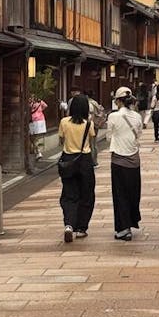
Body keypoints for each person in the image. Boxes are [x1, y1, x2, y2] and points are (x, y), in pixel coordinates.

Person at [57, 94, 96, 242]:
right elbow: (91, 139)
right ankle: (81, 228)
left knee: (69, 194)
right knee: (86, 194)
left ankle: (69, 224)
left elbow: (61, 140)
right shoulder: (88, 124)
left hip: (68, 159)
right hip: (84, 160)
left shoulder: (64, 122)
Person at [106, 86, 144, 240]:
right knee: (133, 193)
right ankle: (131, 221)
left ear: (118, 101)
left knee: (120, 194)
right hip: (134, 159)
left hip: (119, 159)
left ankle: (123, 227)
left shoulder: (113, 117)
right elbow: (139, 134)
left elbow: (108, 137)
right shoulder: (137, 117)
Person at [28, 96, 49, 160]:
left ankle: (38, 152)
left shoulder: (30, 103)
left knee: (33, 138)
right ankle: (34, 151)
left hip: (33, 121)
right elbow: (46, 106)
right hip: (41, 120)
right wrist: (40, 111)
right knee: (35, 137)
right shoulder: (40, 102)